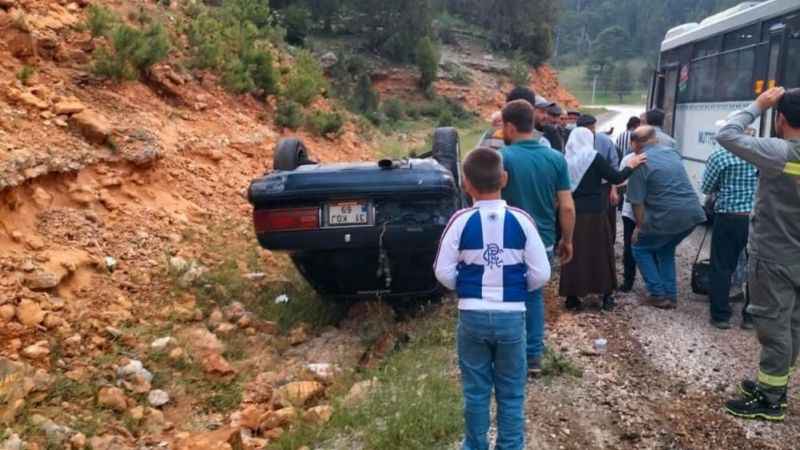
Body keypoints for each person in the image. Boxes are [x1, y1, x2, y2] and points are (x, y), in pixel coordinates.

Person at [434, 148, 551, 450]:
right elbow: (541, 274)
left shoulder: (459, 221)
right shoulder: (522, 220)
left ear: (465, 184)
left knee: (476, 391)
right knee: (511, 393)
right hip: (512, 316)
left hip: (472, 315)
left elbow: (443, 272)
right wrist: (516, 288)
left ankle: (474, 445)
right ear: (504, 179)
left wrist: (467, 287)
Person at [717, 87, 800, 422]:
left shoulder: (781, 152)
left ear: (780, 119)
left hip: (775, 256)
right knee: (793, 325)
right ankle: (774, 386)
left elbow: (726, 133)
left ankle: (770, 400)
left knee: (773, 326)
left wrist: (757, 105)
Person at [499, 99, 575, 376]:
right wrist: (567, 240)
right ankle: (533, 357)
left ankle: (508, 355)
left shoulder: (503, 159)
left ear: (509, 126)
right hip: (541, 242)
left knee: (505, 297)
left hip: (506, 241)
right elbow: (566, 206)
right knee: (533, 297)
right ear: (532, 124)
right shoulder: (555, 158)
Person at [559, 128, 646, 311]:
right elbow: (616, 177)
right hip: (596, 212)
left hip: (574, 213)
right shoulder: (594, 157)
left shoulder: (565, 160)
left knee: (575, 255)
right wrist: (631, 164)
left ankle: (572, 297)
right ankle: (606, 296)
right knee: (600, 253)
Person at [627, 126, 706, 309]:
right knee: (665, 248)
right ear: (655, 139)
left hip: (667, 215)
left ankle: (657, 294)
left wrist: (640, 227)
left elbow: (636, 202)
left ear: (635, 143)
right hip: (692, 213)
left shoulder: (639, 162)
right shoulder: (672, 153)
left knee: (640, 248)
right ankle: (670, 295)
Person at [700, 135, 757, 330]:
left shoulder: (720, 156)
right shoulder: (758, 155)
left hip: (728, 217)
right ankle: (750, 317)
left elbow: (706, 187)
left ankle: (721, 315)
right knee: (754, 268)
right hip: (755, 219)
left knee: (722, 265)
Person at [577, 114, 621, 245]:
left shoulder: (604, 140)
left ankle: (606, 244)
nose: (592, 132)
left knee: (605, 218)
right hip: (579, 188)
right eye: (588, 129)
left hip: (603, 187)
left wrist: (614, 190)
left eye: (593, 128)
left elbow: (614, 165)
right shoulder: (573, 141)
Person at [617, 139, 645, 292]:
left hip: (649, 210)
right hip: (629, 211)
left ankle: (651, 280)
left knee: (647, 244)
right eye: (634, 142)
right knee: (629, 246)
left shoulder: (651, 158)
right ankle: (628, 279)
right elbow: (619, 180)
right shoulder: (627, 159)